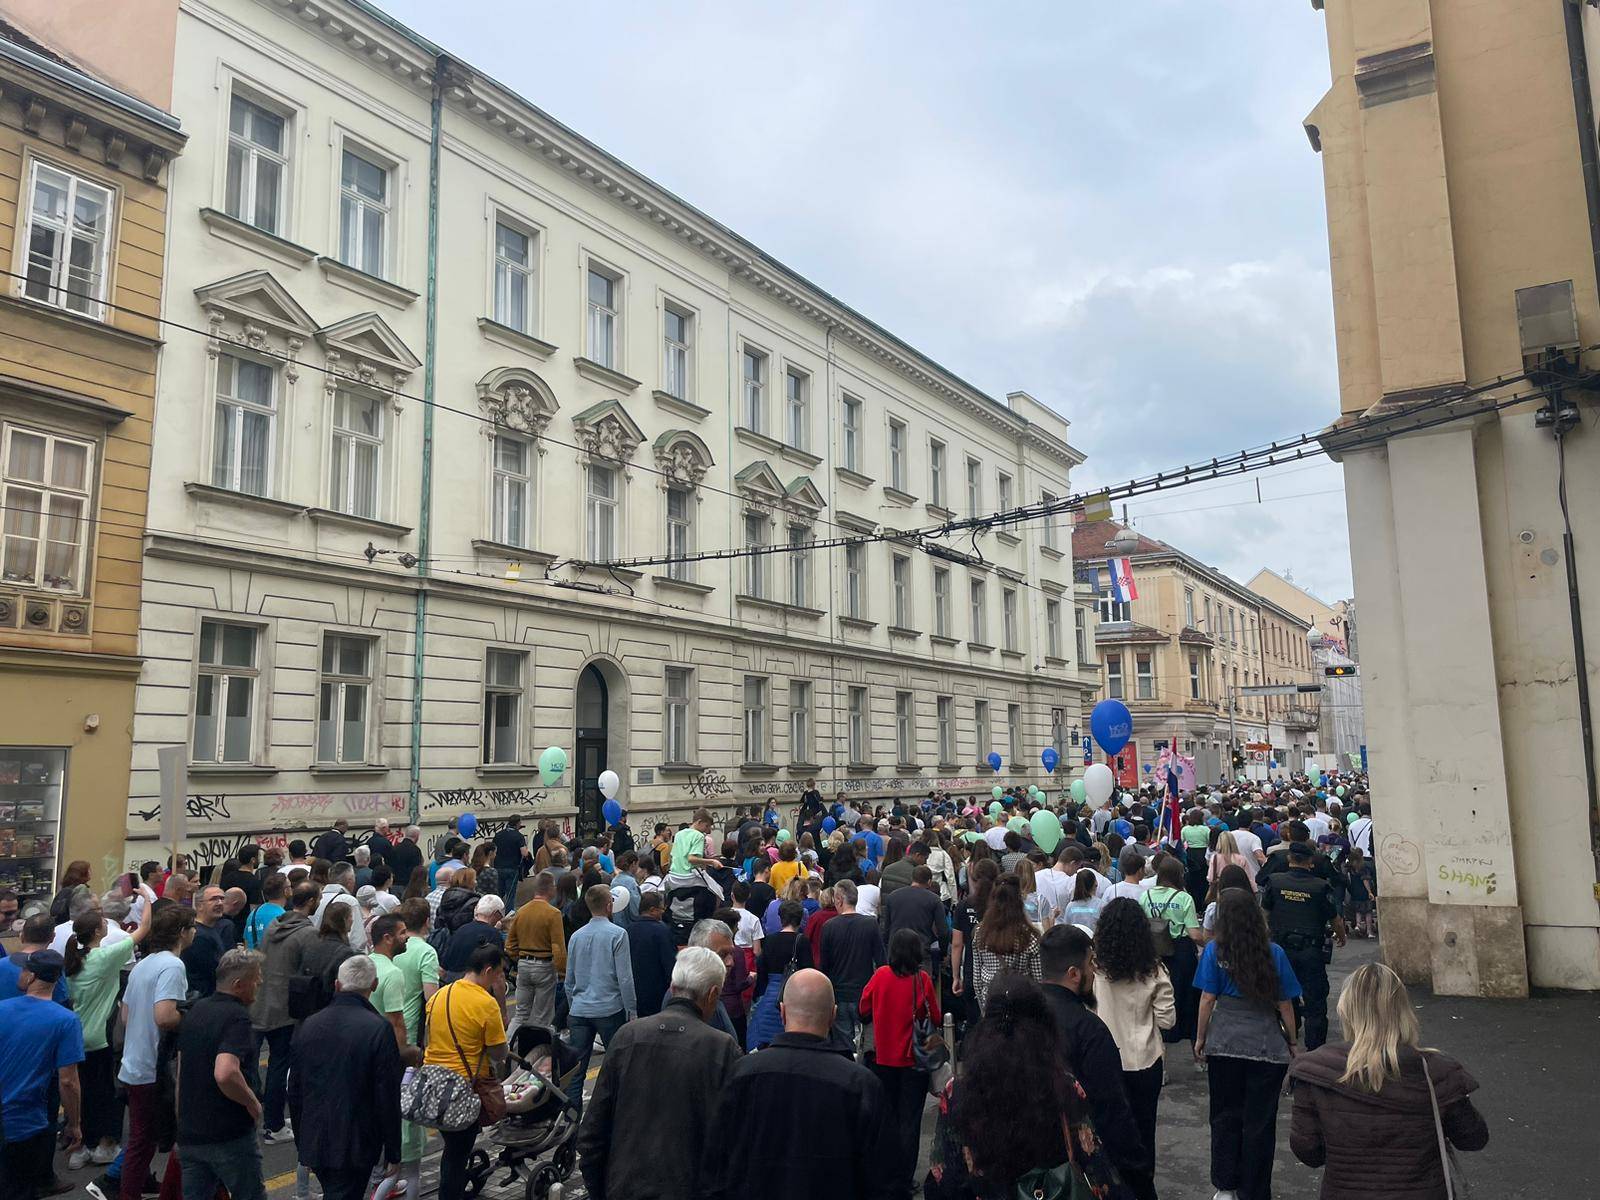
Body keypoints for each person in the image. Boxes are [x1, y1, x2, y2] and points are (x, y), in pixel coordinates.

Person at [1289, 962, 1488, 1198]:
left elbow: (1308, 1151)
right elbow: (1473, 1138)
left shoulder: (1316, 1072)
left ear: (1346, 1011)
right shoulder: (1436, 1072)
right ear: (1403, 1010)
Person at [924, 975, 1129, 1200]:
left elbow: (944, 1177)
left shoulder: (958, 1091)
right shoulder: (1063, 1085)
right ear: (1044, 1026)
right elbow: (1095, 1165)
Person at [706, 970, 891, 1200]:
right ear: (832, 1016)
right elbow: (882, 1178)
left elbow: (716, 1164)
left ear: (782, 1013)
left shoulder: (741, 1074)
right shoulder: (861, 1085)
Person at [577, 947, 738, 1200]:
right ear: (713, 994)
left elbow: (592, 1132)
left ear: (673, 988)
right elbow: (731, 1142)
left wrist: (601, 1189)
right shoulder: (721, 1048)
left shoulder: (627, 1036)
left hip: (624, 1186)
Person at [1194, 889, 1303, 1200]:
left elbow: (1207, 998)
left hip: (1225, 1040)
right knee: (1260, 1122)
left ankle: (1225, 1183)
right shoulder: (1274, 953)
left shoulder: (1216, 951)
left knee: (1225, 1115)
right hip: (1265, 1045)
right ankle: (1254, 1189)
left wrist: (1201, 1038)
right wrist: (1293, 1042)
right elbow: (1285, 1003)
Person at [1038, 925, 1150, 1189]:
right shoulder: (1089, 1030)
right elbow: (1112, 1110)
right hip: (1079, 1169)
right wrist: (1138, 1172)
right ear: (1074, 974)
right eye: (1091, 963)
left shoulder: (1023, 1016)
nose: (1094, 970)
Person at [288, 955, 403, 1200]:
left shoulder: (308, 1025)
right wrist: (393, 1150)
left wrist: (302, 1140)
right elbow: (387, 1096)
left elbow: (295, 1089)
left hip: (315, 1138)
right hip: (356, 1142)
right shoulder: (378, 1029)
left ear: (337, 985)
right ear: (374, 985)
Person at [1091, 898, 1174, 1200]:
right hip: (1145, 1059)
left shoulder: (1096, 968)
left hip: (1104, 1060)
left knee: (1108, 1131)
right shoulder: (1154, 970)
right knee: (1143, 1131)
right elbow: (1167, 1020)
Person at [64, 895, 153, 1167]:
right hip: (102, 1036)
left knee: (83, 1091)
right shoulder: (103, 957)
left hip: (77, 1035)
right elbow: (144, 928)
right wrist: (147, 898)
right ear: (98, 932)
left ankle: (83, 1144)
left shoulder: (73, 963)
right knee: (109, 1092)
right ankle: (106, 1144)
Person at [175, 949, 266, 1200]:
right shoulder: (237, 1018)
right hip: (228, 1133)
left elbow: (181, 1069)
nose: (259, 983)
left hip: (191, 1132)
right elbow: (225, 1072)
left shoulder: (195, 1011)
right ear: (238, 985)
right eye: (256, 977)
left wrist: (179, 1118)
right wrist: (252, 1103)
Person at [118, 906, 195, 1200]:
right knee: (154, 1139)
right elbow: (165, 1016)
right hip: (155, 1067)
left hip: (134, 1062)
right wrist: (191, 1018)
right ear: (182, 933)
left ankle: (134, 1189)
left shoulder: (143, 964)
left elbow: (126, 1015)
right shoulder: (173, 966)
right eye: (191, 927)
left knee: (143, 1138)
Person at [860, 929, 941, 1200]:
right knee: (910, 1120)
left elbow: (863, 1009)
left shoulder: (881, 975)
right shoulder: (923, 979)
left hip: (882, 1058)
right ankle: (905, 1178)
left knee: (886, 1118)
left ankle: (886, 1171)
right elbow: (937, 1016)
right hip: (913, 1060)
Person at [422, 945, 508, 1200]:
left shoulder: (439, 995)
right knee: (456, 1154)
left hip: (434, 1082)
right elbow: (499, 1053)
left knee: (454, 1148)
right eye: (498, 974)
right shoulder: (485, 1003)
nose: (498, 980)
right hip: (464, 1088)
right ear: (488, 970)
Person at [0, 950, 84, 1200]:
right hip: (25, 1121)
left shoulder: (2, 1009)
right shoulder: (66, 1021)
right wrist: (74, 1123)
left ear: (31, 976)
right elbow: (68, 1082)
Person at [250, 882, 320, 1144]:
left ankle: (266, 1119)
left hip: (262, 1001)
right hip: (286, 1007)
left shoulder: (274, 926)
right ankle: (274, 1124)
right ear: (311, 902)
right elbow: (311, 970)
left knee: (257, 1064)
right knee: (280, 1066)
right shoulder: (307, 934)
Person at [1259, 840, 1345, 1051]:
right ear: (1311, 862)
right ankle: (1315, 1048)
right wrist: (1341, 936)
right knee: (1315, 1000)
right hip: (1310, 950)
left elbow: (1264, 914)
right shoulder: (1320, 887)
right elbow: (1334, 918)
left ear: (1289, 859)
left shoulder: (1275, 882)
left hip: (1281, 948)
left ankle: (1289, 1035)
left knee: (1284, 995)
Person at [563, 885, 637, 1113]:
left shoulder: (576, 936)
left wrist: (573, 1005)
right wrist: (631, 1010)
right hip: (609, 1008)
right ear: (608, 906)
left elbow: (569, 980)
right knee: (618, 1065)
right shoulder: (618, 934)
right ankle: (615, 1112)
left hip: (580, 1009)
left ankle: (571, 1120)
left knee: (576, 1071)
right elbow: (624, 978)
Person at [1140, 856, 1204, 1050]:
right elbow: (1194, 934)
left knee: (1155, 994)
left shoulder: (1146, 896)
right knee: (1187, 998)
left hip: (1154, 953)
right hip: (1181, 952)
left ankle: (1161, 1043)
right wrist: (1207, 943)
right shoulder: (1184, 898)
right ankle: (1194, 1048)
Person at [817, 879, 883, 1047]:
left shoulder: (829, 927)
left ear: (839, 900)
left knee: (843, 1045)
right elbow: (881, 961)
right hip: (865, 993)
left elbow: (825, 965)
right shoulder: (870, 924)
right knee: (869, 1043)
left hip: (839, 993)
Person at [504, 871, 566, 1029]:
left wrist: (520, 958)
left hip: (524, 964)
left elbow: (510, 944)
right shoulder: (553, 914)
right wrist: (562, 971)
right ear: (551, 888)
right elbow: (557, 947)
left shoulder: (522, 911)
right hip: (544, 965)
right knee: (543, 1016)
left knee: (521, 1014)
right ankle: (538, 1048)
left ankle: (509, 1045)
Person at [970, 876, 1041, 1012]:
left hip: (990, 999)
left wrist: (983, 1007)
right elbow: (1038, 980)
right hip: (1022, 1001)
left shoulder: (980, 933)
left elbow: (977, 978)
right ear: (1019, 900)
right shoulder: (1029, 936)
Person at [880, 864, 946, 975]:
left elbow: (886, 928)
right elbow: (943, 931)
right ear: (929, 882)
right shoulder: (934, 900)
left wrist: (887, 948)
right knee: (920, 989)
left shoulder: (892, 896)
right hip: (921, 952)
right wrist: (943, 952)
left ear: (912, 878)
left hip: (895, 952)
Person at [625, 890, 676, 1020]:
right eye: (661, 909)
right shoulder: (662, 931)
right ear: (652, 910)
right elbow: (670, 964)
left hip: (632, 990)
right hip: (656, 992)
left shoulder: (627, 930)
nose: (663, 912)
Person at [440, 895, 505, 981]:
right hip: (477, 987)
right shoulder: (494, 935)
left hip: (453, 985)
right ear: (496, 914)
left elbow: (442, 969)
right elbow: (497, 973)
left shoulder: (460, 930)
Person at [314, 863, 368, 951]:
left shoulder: (317, 899)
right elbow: (357, 941)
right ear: (350, 881)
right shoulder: (349, 901)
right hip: (341, 956)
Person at [243, 873, 287, 949]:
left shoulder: (253, 914)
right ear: (286, 891)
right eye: (290, 886)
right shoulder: (283, 916)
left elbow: (246, 943)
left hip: (253, 959)